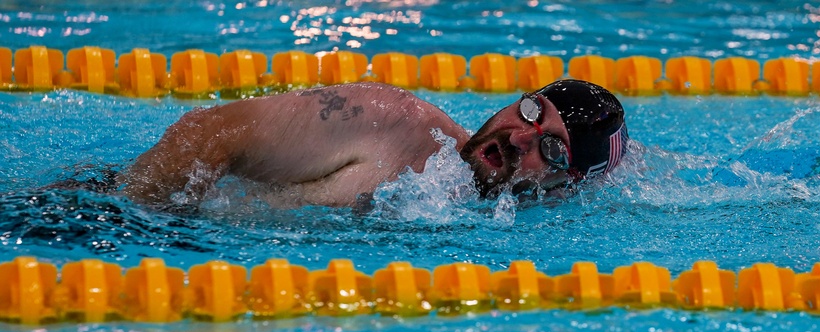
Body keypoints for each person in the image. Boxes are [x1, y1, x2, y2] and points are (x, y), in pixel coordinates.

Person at [119, 79, 628, 209]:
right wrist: (149, 228)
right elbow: (206, 133)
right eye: (532, 111)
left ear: (565, 184)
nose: (519, 136)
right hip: (89, 218)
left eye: (551, 149)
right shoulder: (391, 124)